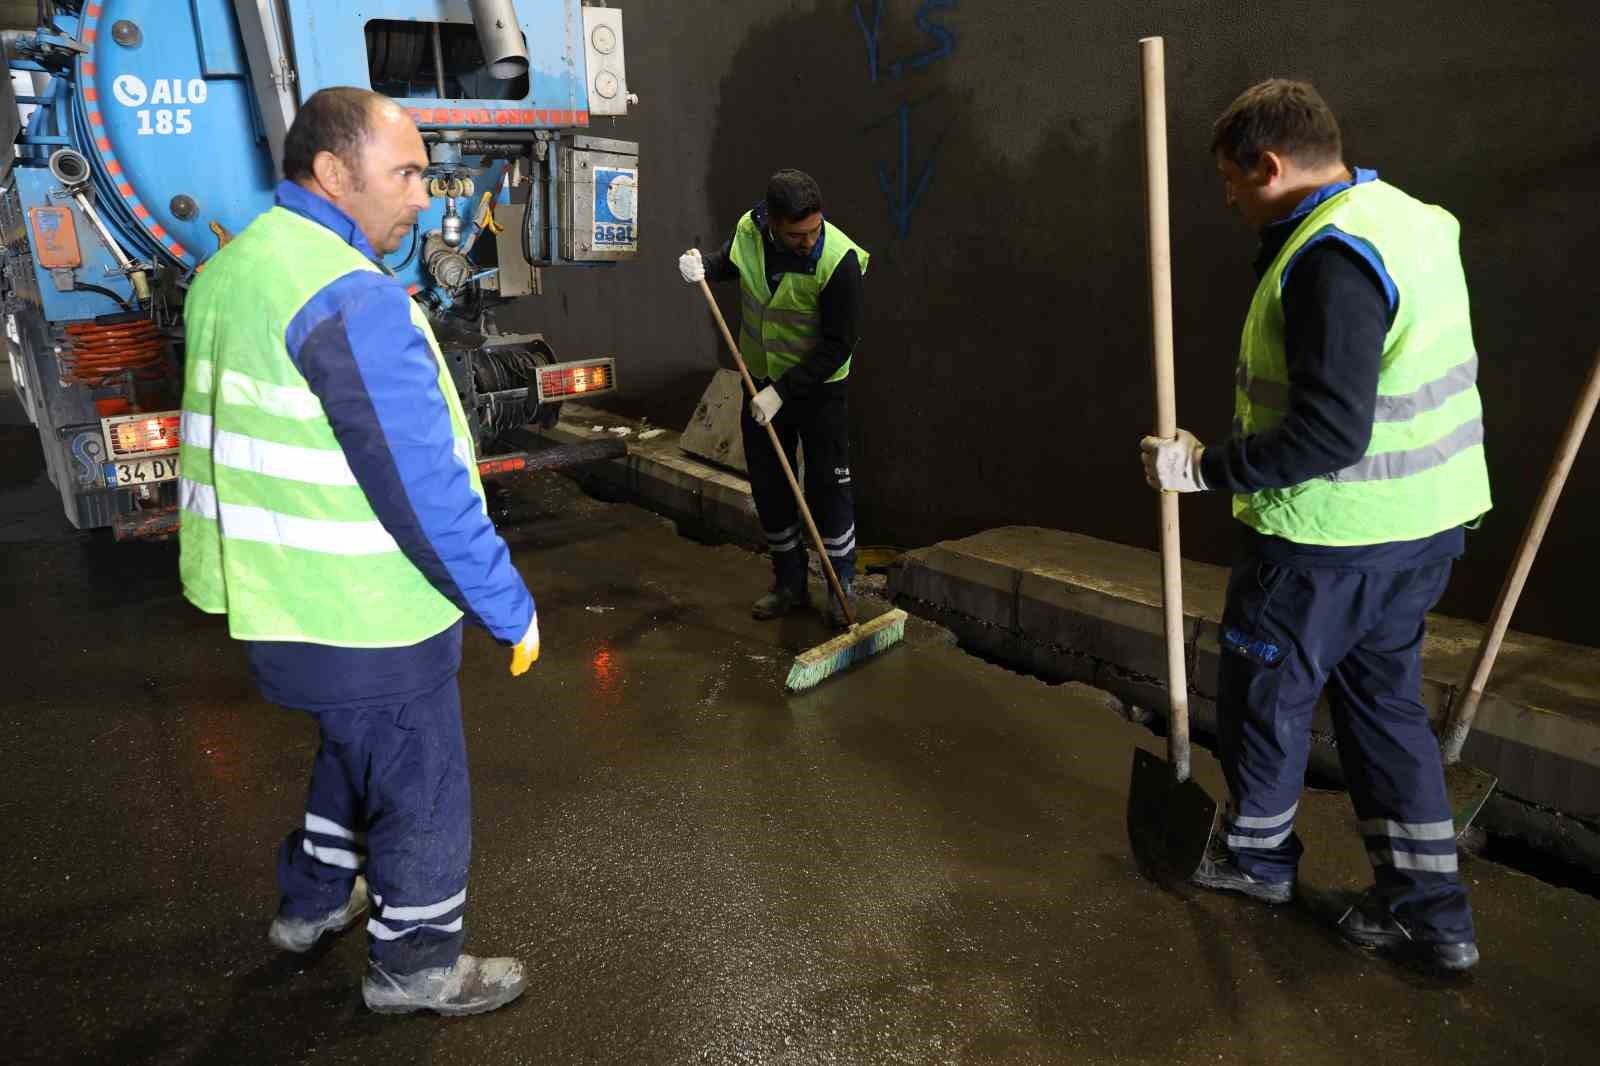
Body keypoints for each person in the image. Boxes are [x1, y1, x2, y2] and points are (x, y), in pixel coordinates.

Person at [178, 87, 542, 1015]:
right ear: (335, 174)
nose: (424, 195)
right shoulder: (352, 298)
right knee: (419, 781)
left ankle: (308, 907)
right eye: (407, 173)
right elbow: (422, 489)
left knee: (353, 750)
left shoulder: (237, 269)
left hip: (283, 600)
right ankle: (416, 966)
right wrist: (508, 604)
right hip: (369, 609)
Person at [1140, 79, 1491, 972]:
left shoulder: (1331, 256)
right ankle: (1431, 916)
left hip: (1328, 543)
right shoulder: (1409, 219)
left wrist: (1203, 468)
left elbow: (1332, 432)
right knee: (1383, 712)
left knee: (1265, 693)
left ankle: (1257, 859)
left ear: (1270, 163)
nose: (1227, 199)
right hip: (1421, 531)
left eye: (1231, 180)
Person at [678, 170, 869, 627]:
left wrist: (782, 393)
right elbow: (733, 262)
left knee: (828, 486)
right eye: (796, 234)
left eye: (813, 230)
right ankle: (789, 583)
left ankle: (841, 586)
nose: (808, 241)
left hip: (818, 389)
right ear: (772, 225)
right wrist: (704, 264)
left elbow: (839, 345)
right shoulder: (750, 230)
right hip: (759, 382)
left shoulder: (838, 261)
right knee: (770, 484)